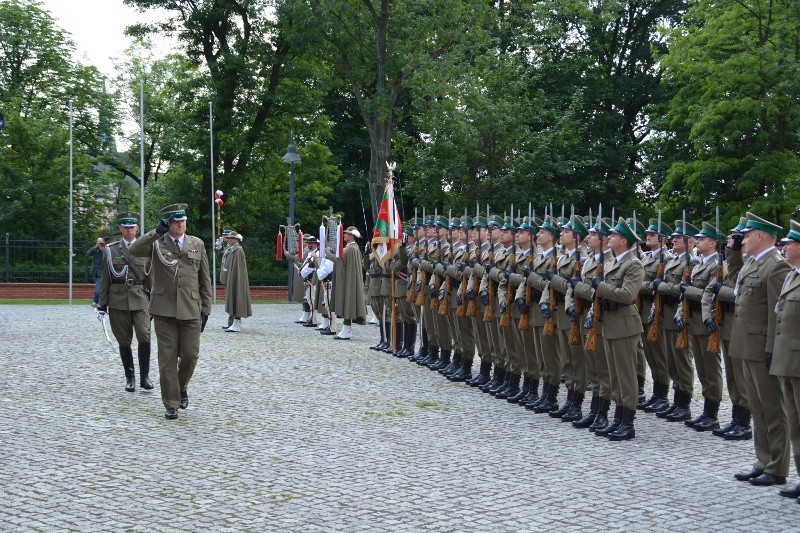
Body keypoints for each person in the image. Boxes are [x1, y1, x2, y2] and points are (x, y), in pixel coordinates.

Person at [128, 203, 212, 420]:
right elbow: (133, 250)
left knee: (190, 355)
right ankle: (171, 403)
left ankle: (181, 387)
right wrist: (156, 232)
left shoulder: (197, 244)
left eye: (183, 221)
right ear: (168, 223)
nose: (181, 225)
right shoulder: (157, 243)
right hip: (164, 309)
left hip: (191, 308)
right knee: (167, 358)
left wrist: (207, 308)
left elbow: (205, 278)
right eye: (176, 222)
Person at [731, 212, 791, 486]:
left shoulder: (776, 266)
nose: (741, 240)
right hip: (746, 345)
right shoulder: (754, 263)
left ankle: (777, 467)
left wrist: (771, 350)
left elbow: (776, 313)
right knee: (757, 407)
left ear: (759, 236)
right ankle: (762, 460)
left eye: (745, 235)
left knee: (772, 409)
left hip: (761, 346)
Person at [592, 217, 645, 441]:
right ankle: (617, 419)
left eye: (613, 235)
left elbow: (627, 295)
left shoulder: (633, 264)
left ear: (623, 240)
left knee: (626, 376)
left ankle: (628, 423)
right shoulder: (613, 262)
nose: (609, 238)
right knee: (614, 375)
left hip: (624, 325)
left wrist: (600, 287)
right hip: (609, 322)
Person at [97, 212, 152, 392]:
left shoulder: (145, 248)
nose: (129, 230)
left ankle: (145, 377)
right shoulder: (111, 250)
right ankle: (130, 378)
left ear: (137, 228)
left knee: (144, 335)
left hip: (140, 298)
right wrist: (102, 303)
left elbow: (151, 276)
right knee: (124, 340)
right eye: (126, 227)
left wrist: (155, 300)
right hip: (118, 300)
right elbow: (105, 278)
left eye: (132, 227)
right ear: (121, 229)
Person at [772, 219, 800, 500]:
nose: (784, 247)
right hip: (788, 359)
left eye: (789, 243)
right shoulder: (792, 275)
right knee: (795, 421)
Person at [326, 226, 367, 339]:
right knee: (347, 304)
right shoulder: (352, 248)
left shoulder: (350, 248)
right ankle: (346, 329)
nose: (344, 235)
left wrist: (327, 252)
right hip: (349, 279)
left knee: (348, 304)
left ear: (352, 236)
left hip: (349, 280)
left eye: (346, 234)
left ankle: (346, 330)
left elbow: (337, 259)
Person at [221, 231, 252, 332]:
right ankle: (232, 323)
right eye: (228, 238)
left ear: (236, 239)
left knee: (237, 299)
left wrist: (233, 279)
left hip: (235, 279)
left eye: (231, 238)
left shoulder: (238, 250)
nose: (229, 240)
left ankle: (236, 324)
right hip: (231, 277)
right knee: (232, 300)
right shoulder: (232, 249)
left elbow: (237, 268)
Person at [86, 236, 106, 306]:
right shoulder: (94, 250)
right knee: (99, 287)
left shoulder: (106, 249)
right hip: (95, 272)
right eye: (98, 242)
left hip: (102, 272)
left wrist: (102, 249)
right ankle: (99, 302)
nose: (99, 243)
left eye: (101, 242)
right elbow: (87, 254)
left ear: (104, 242)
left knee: (98, 288)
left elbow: (107, 257)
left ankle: (96, 301)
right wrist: (95, 247)